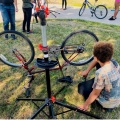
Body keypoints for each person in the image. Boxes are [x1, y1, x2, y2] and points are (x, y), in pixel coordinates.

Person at [78, 41, 120, 111]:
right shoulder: (114, 62)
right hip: (116, 96)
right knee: (98, 64)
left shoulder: (101, 73)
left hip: (107, 103)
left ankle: (105, 106)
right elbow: (97, 61)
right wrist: (87, 70)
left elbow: (95, 94)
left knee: (81, 87)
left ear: (95, 57)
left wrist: (85, 105)